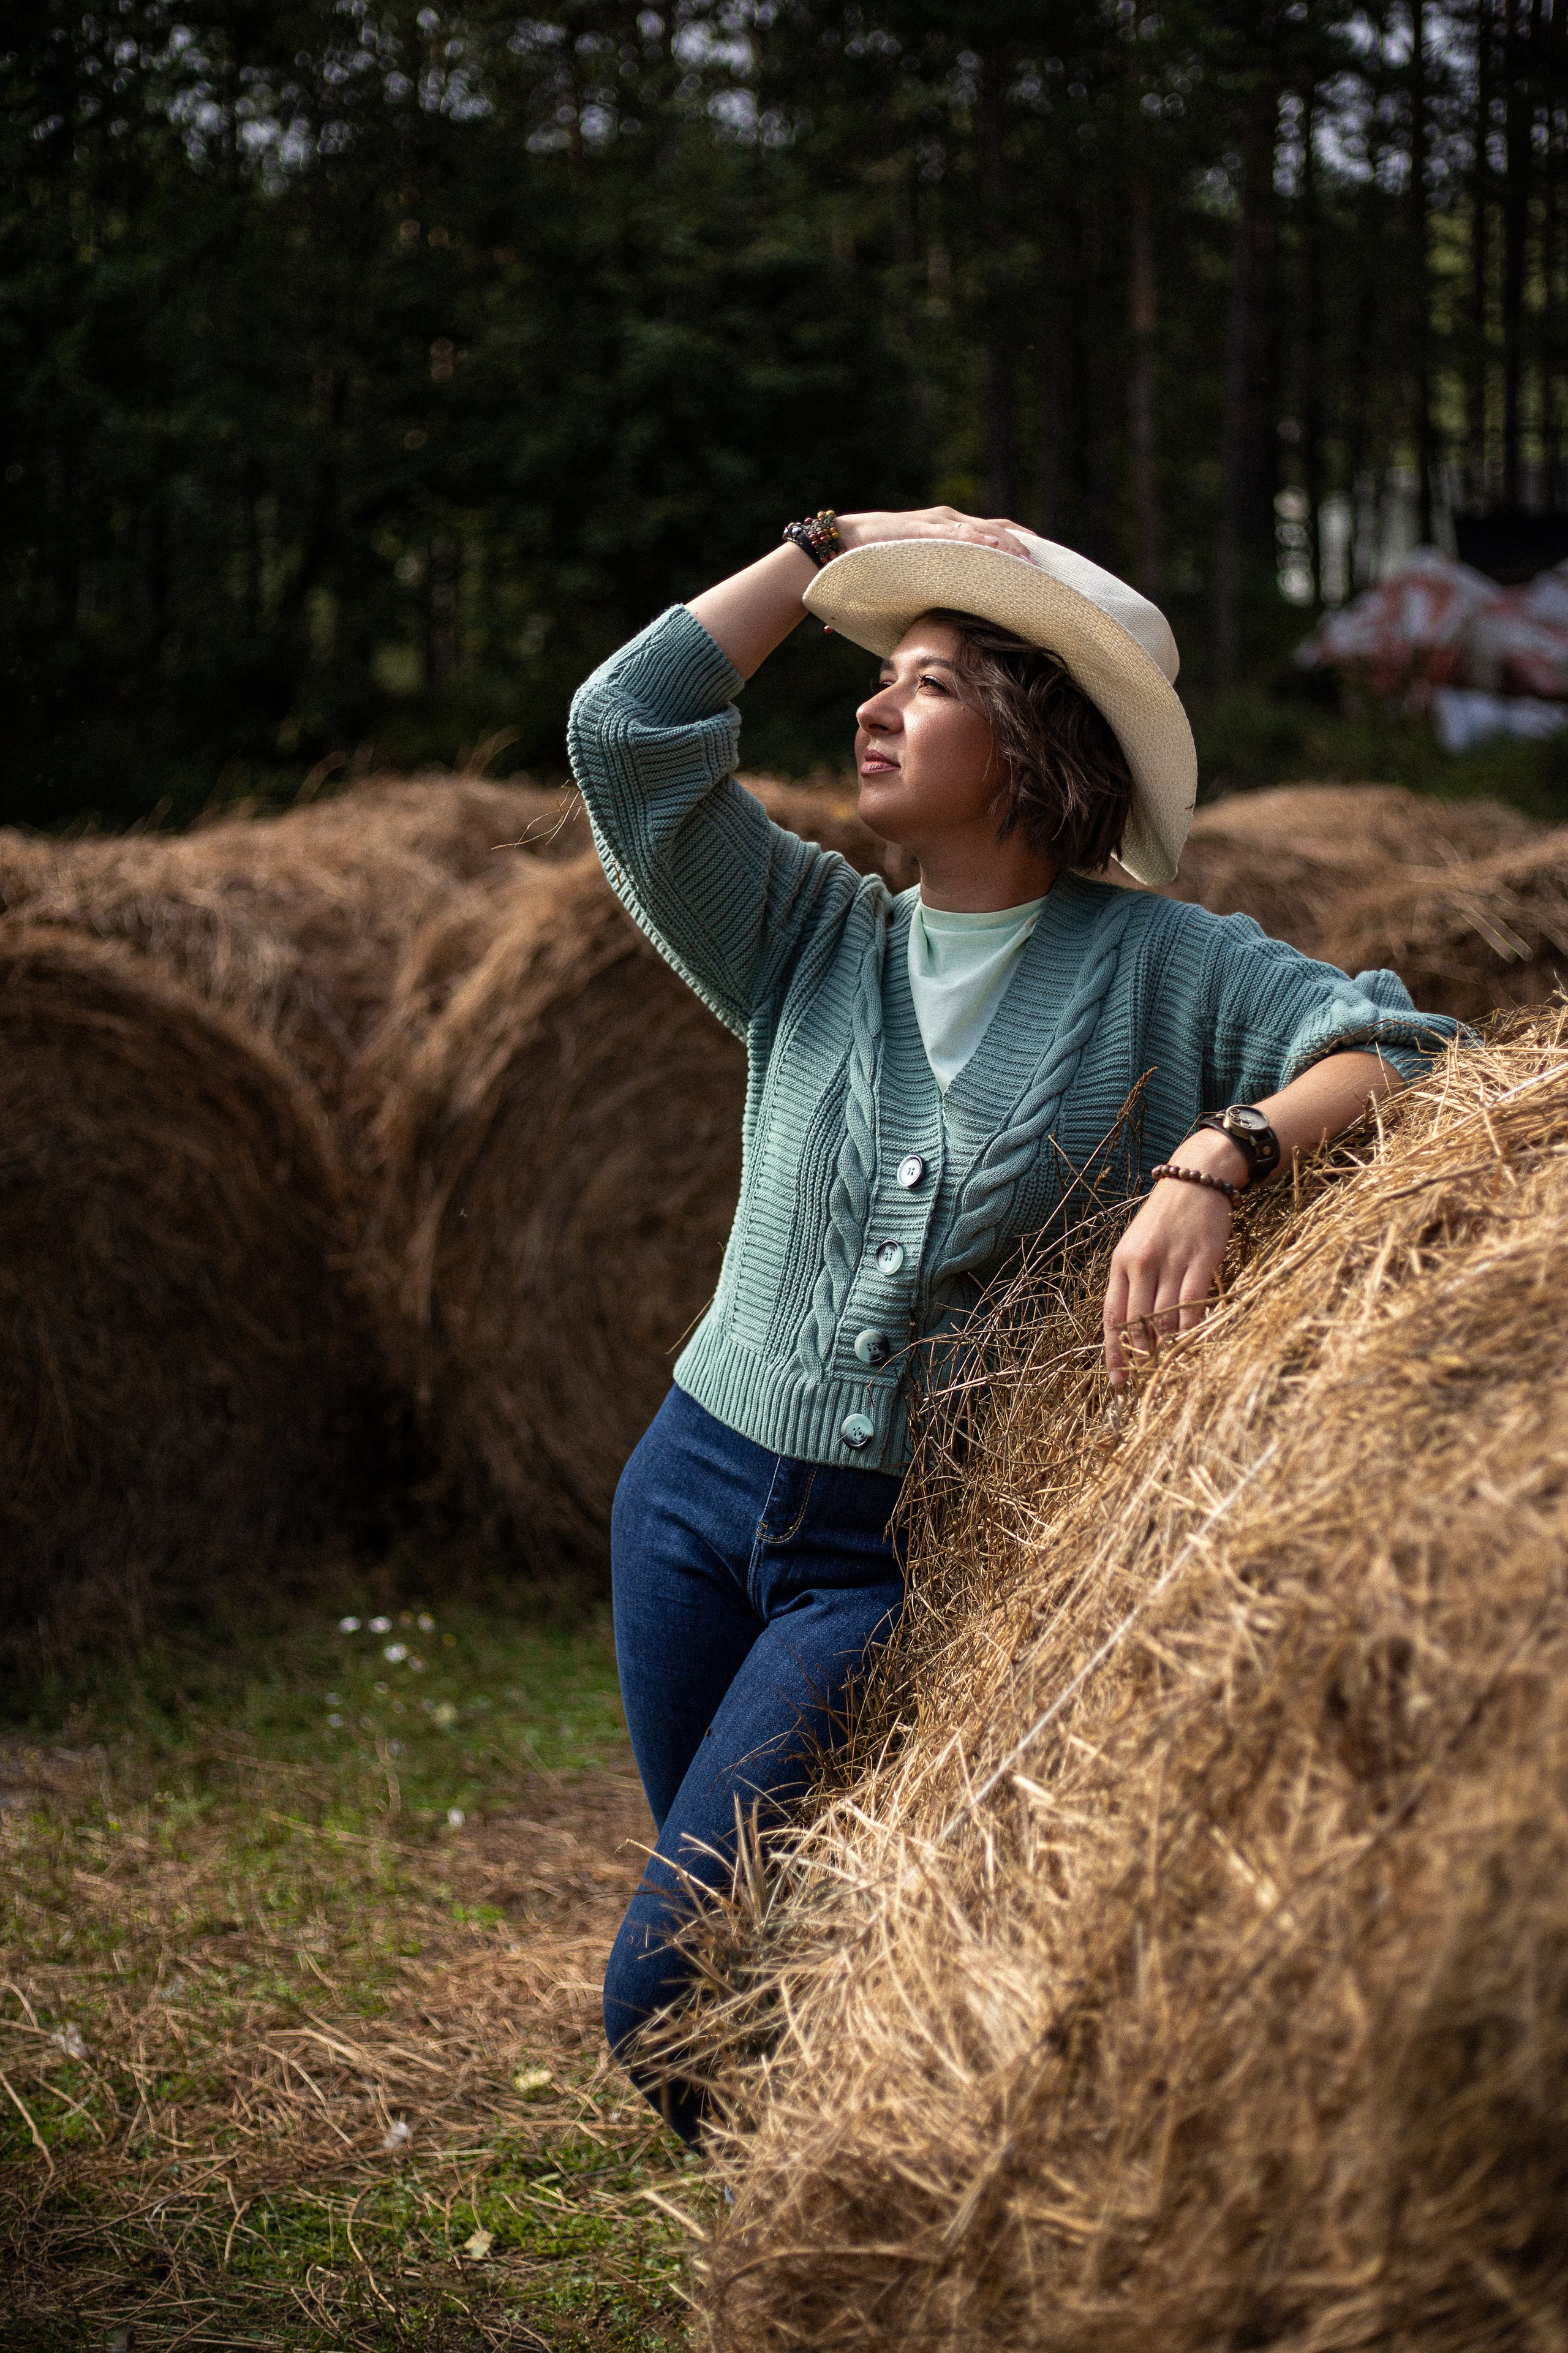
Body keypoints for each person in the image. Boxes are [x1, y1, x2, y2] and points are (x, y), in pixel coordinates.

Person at [568, 505, 1457, 2144]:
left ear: (1034, 734)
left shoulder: (1162, 967)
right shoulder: (806, 934)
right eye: (879, 677)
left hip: (886, 1555)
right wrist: (830, 542)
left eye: (931, 680)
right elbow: (626, 731)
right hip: (688, 1499)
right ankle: (804, 2250)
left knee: (670, 1988)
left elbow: (1403, 1039)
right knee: (768, 1958)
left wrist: (1224, 1151)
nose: (874, 705)